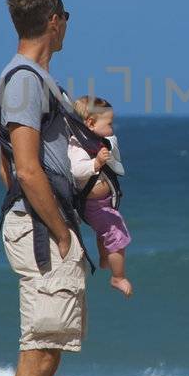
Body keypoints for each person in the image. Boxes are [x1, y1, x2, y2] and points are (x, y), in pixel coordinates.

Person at [0, 0, 92, 376]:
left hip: (33, 222)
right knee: (38, 352)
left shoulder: (27, 79)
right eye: (66, 16)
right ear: (54, 21)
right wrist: (61, 231)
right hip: (40, 229)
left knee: (46, 353)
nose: (68, 24)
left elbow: (5, 163)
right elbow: (25, 167)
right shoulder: (27, 82)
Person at [69, 96, 133, 296]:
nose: (112, 128)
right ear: (90, 123)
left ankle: (104, 258)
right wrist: (95, 163)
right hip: (93, 204)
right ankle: (118, 277)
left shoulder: (97, 140)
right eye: (109, 123)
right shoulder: (77, 145)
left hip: (104, 201)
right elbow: (77, 170)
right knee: (117, 235)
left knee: (104, 232)